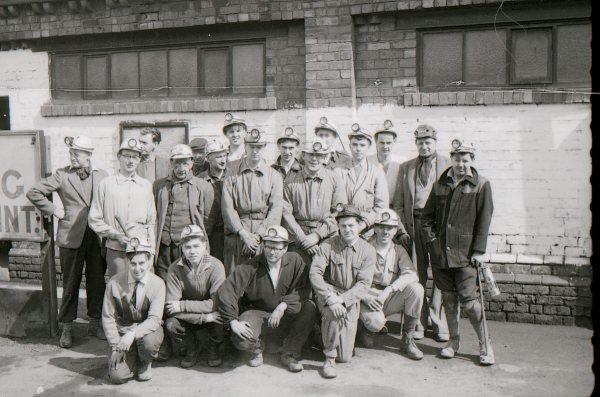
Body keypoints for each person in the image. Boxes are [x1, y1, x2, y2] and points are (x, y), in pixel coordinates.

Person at [26, 135, 108, 348]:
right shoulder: (62, 176)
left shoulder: (102, 176)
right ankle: (67, 327)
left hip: (96, 237)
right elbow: (34, 191)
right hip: (71, 235)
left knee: (97, 281)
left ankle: (95, 322)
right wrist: (54, 210)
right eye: (71, 153)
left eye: (77, 153)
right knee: (71, 283)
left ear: (89, 155)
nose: (72, 156)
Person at [421, 139, 495, 365]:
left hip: (465, 256)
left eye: (465, 160)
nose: (460, 164)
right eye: (457, 159)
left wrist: (479, 250)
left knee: (471, 303)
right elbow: (426, 218)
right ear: (451, 159)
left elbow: (484, 219)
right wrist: (433, 242)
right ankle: (454, 342)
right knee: (449, 301)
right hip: (441, 255)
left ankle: (485, 345)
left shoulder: (481, 185)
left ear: (472, 161)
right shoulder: (440, 184)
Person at [217, 226, 316, 372]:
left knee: (309, 307)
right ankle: (257, 350)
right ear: (263, 246)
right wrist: (232, 321)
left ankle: (289, 352)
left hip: (286, 314)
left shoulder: (296, 261)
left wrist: (283, 305)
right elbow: (226, 291)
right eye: (268, 246)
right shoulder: (251, 265)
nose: (272, 252)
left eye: (277, 248)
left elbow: (303, 289)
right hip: (258, 314)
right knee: (241, 338)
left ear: (285, 248)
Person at [393, 124, 451, 341]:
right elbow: (398, 202)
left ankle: (437, 319)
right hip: (414, 224)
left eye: (428, 142)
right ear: (416, 144)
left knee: (439, 273)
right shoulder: (406, 167)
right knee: (416, 273)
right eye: (420, 143)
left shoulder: (447, 164)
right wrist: (402, 228)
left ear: (435, 143)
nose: (424, 146)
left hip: (437, 226)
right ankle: (418, 319)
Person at [310, 205, 375, 379]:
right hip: (328, 293)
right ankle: (329, 358)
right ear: (338, 226)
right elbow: (315, 273)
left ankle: (320, 334)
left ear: (359, 225)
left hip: (350, 297)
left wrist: (343, 300)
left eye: (351, 225)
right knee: (333, 312)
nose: (347, 229)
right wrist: (330, 298)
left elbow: (363, 284)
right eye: (343, 225)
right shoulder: (327, 245)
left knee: (345, 357)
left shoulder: (368, 250)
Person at [358, 209, 424, 360]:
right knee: (375, 323)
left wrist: (389, 289)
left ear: (395, 231)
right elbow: (352, 279)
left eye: (390, 228)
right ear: (375, 228)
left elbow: (411, 274)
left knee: (416, 290)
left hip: (387, 296)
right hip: (368, 297)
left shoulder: (398, 250)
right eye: (382, 227)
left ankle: (408, 339)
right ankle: (366, 328)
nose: (385, 231)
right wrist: (365, 296)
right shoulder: (364, 248)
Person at [102, 237, 165, 384]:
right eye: (133, 263)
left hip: (147, 333)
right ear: (127, 262)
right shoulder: (114, 283)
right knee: (117, 377)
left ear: (149, 262)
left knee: (149, 342)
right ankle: (131, 357)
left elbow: (155, 319)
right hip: (123, 335)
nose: (138, 268)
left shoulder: (158, 284)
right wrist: (115, 346)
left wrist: (132, 335)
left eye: (142, 263)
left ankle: (145, 361)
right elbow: (108, 317)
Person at [89, 138, 156, 277]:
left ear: (139, 160)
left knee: (142, 292)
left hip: (142, 249)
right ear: (119, 157)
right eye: (127, 156)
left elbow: (151, 222)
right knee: (120, 291)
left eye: (135, 157)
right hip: (117, 249)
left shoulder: (146, 186)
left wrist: (152, 250)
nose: (131, 161)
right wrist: (116, 235)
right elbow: (94, 219)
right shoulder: (106, 184)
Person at [221, 128, 283, 274]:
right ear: (245, 146)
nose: (255, 150)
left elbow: (276, 210)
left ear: (264, 148)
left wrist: (257, 236)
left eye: (259, 147)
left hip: (264, 236)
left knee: (261, 279)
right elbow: (227, 207)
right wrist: (243, 234)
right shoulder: (232, 173)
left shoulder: (274, 176)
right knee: (235, 278)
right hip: (237, 235)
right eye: (252, 146)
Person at [164, 225, 226, 368]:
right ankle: (192, 347)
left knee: (221, 316)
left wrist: (182, 305)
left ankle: (213, 347)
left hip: (210, 315)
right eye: (188, 247)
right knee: (172, 324)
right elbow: (171, 307)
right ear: (182, 248)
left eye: (196, 246)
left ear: (204, 245)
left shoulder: (216, 266)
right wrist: (203, 317)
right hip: (195, 317)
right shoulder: (174, 269)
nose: (192, 251)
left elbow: (215, 304)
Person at [153, 144, 215, 281]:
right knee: (163, 280)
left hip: (188, 245)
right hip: (164, 245)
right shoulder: (159, 185)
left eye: (185, 163)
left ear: (192, 163)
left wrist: (194, 239)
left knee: (187, 280)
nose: (181, 169)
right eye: (177, 164)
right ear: (171, 163)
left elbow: (208, 220)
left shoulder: (203, 186)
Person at [282, 138, 346, 263]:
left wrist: (317, 235)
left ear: (326, 157)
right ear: (304, 155)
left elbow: (338, 212)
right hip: (297, 239)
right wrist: (303, 239)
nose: (314, 159)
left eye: (319, 155)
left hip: (327, 238)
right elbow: (286, 213)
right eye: (311, 154)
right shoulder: (291, 180)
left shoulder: (334, 179)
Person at [339, 123, 391, 238]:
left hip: (367, 231)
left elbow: (381, 206)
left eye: (362, 145)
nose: (358, 149)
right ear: (350, 145)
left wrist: (362, 225)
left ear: (369, 146)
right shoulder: (340, 170)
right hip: (344, 229)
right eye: (355, 145)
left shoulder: (376, 172)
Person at [198, 138, 230, 262]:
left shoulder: (234, 176)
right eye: (218, 157)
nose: (223, 160)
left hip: (230, 233)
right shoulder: (200, 180)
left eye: (224, 156)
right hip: (212, 234)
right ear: (208, 158)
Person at [367, 120, 402, 204]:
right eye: (382, 142)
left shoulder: (401, 162)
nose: (385, 146)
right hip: (373, 208)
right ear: (376, 141)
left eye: (388, 143)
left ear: (394, 141)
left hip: (395, 207)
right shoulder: (367, 162)